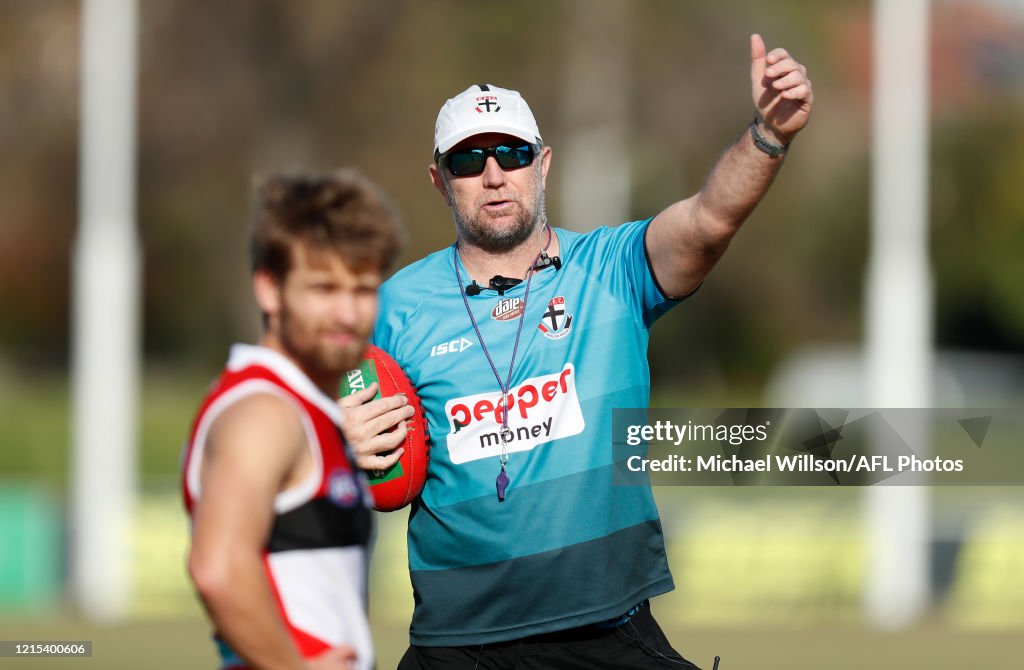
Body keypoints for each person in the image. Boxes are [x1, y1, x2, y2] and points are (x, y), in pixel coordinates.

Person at [344, 34, 812, 669]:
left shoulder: (611, 267)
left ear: (542, 164)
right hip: (458, 646)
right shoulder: (392, 309)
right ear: (438, 179)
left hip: (606, 636)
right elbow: (294, 424)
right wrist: (332, 439)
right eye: (467, 160)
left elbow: (708, 220)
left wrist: (768, 136)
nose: (492, 174)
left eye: (510, 154)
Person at [183, 170, 404, 670]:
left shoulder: (306, 411)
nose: (347, 312)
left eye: (363, 289)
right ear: (270, 289)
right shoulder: (264, 413)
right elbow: (216, 570)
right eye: (323, 288)